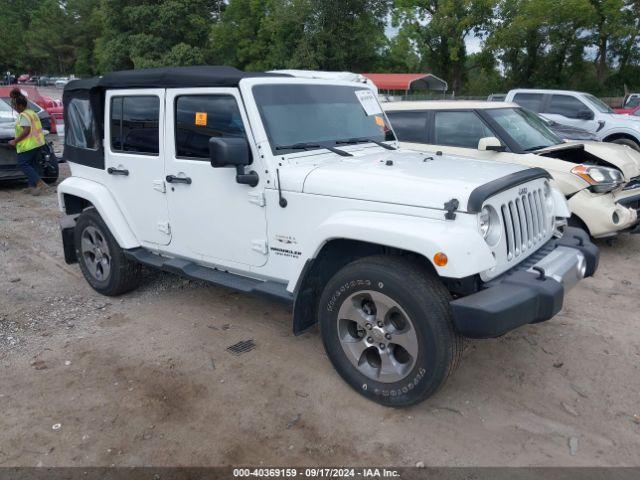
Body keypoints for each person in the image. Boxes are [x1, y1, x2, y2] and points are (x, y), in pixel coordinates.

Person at [9, 94, 49, 195]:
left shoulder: (23, 115)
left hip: (29, 145)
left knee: (23, 164)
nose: (15, 108)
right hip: (38, 143)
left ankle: (40, 183)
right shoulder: (32, 113)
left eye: (15, 106)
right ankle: (32, 186)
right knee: (33, 164)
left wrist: (15, 141)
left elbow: (26, 130)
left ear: (20, 105)